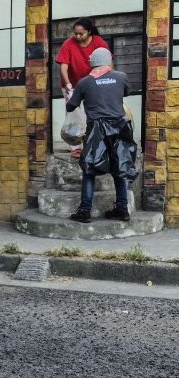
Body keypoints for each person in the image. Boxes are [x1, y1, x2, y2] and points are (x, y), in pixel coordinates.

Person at [66, 48, 137, 224]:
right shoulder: (121, 77)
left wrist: (75, 95)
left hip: (96, 131)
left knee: (90, 169)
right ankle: (122, 209)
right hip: (120, 128)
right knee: (120, 166)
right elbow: (126, 92)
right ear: (108, 61)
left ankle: (84, 211)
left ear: (92, 63)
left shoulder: (84, 82)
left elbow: (70, 107)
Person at [56, 18, 110, 159]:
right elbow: (63, 66)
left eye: (81, 34)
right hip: (71, 85)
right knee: (73, 114)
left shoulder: (99, 43)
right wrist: (68, 84)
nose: (78, 37)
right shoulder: (68, 43)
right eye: (76, 34)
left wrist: (107, 82)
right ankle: (75, 147)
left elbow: (107, 64)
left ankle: (93, 144)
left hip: (92, 84)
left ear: (89, 31)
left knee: (92, 113)